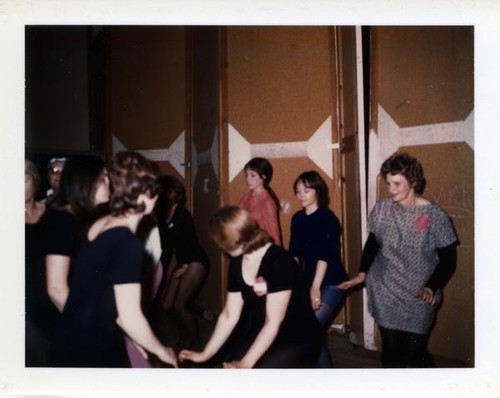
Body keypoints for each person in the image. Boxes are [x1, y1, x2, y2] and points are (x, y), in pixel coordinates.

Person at [49, 151, 177, 368]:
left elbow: (104, 297)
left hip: (71, 338)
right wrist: (164, 352)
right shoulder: (126, 242)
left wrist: (136, 337)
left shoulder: (100, 224)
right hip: (93, 348)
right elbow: (130, 317)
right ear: (147, 193)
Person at [338, 153, 458, 368]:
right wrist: (362, 273)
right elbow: (373, 242)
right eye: (388, 183)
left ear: (413, 182)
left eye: (396, 183)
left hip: (420, 294)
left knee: (415, 352)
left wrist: (431, 287)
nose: (390, 189)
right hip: (385, 289)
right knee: (391, 350)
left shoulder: (435, 216)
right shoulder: (383, 209)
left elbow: (449, 260)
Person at [179, 206, 322, 368]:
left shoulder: (279, 262)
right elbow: (228, 315)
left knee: (254, 375)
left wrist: (245, 363)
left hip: (296, 337)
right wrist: (205, 354)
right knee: (232, 370)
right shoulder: (237, 263)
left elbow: (273, 321)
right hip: (263, 330)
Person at [289, 170, 348, 368]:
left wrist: (315, 287)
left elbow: (325, 254)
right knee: (312, 333)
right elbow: (295, 253)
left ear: (318, 191)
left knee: (310, 330)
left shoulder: (327, 218)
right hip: (309, 281)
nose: (301, 195)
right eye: (298, 192)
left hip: (331, 281)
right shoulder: (297, 218)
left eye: (306, 190)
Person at [43, 155, 110, 313]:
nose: (109, 184)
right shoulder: (62, 221)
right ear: (85, 183)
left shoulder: (84, 219)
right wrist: (88, 324)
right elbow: (56, 289)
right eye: (103, 179)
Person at [154, 175, 210, 350]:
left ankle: (195, 345)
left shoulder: (182, 214)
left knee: (179, 305)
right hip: (183, 262)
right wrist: (159, 273)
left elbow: (189, 244)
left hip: (195, 261)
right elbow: (166, 250)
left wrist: (184, 267)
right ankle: (185, 335)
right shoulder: (164, 217)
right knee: (167, 306)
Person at [25, 160, 58, 366]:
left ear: (35, 182)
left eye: (25, 179)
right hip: (26, 297)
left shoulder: (50, 212)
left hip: (52, 286)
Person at [238, 157, 282, 246]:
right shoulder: (245, 198)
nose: (248, 179)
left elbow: (274, 235)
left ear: (263, 177)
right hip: (245, 246)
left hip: (261, 249)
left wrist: (277, 257)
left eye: (253, 175)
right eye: (246, 175)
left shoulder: (267, 202)